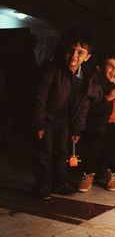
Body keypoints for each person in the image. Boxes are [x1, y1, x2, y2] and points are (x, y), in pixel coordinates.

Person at [33, 28, 97, 199]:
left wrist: (77, 129)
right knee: (44, 151)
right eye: (71, 50)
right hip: (47, 118)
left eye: (80, 52)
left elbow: (84, 105)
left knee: (62, 152)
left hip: (65, 121)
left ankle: (59, 183)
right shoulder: (53, 68)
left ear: (87, 57)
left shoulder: (85, 77)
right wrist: (39, 122)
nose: (74, 56)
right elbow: (41, 95)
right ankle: (43, 186)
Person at [78, 50, 115, 192]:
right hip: (100, 124)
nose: (114, 69)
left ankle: (112, 174)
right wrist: (107, 99)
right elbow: (91, 111)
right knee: (95, 147)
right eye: (110, 66)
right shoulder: (96, 85)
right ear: (100, 68)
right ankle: (88, 174)